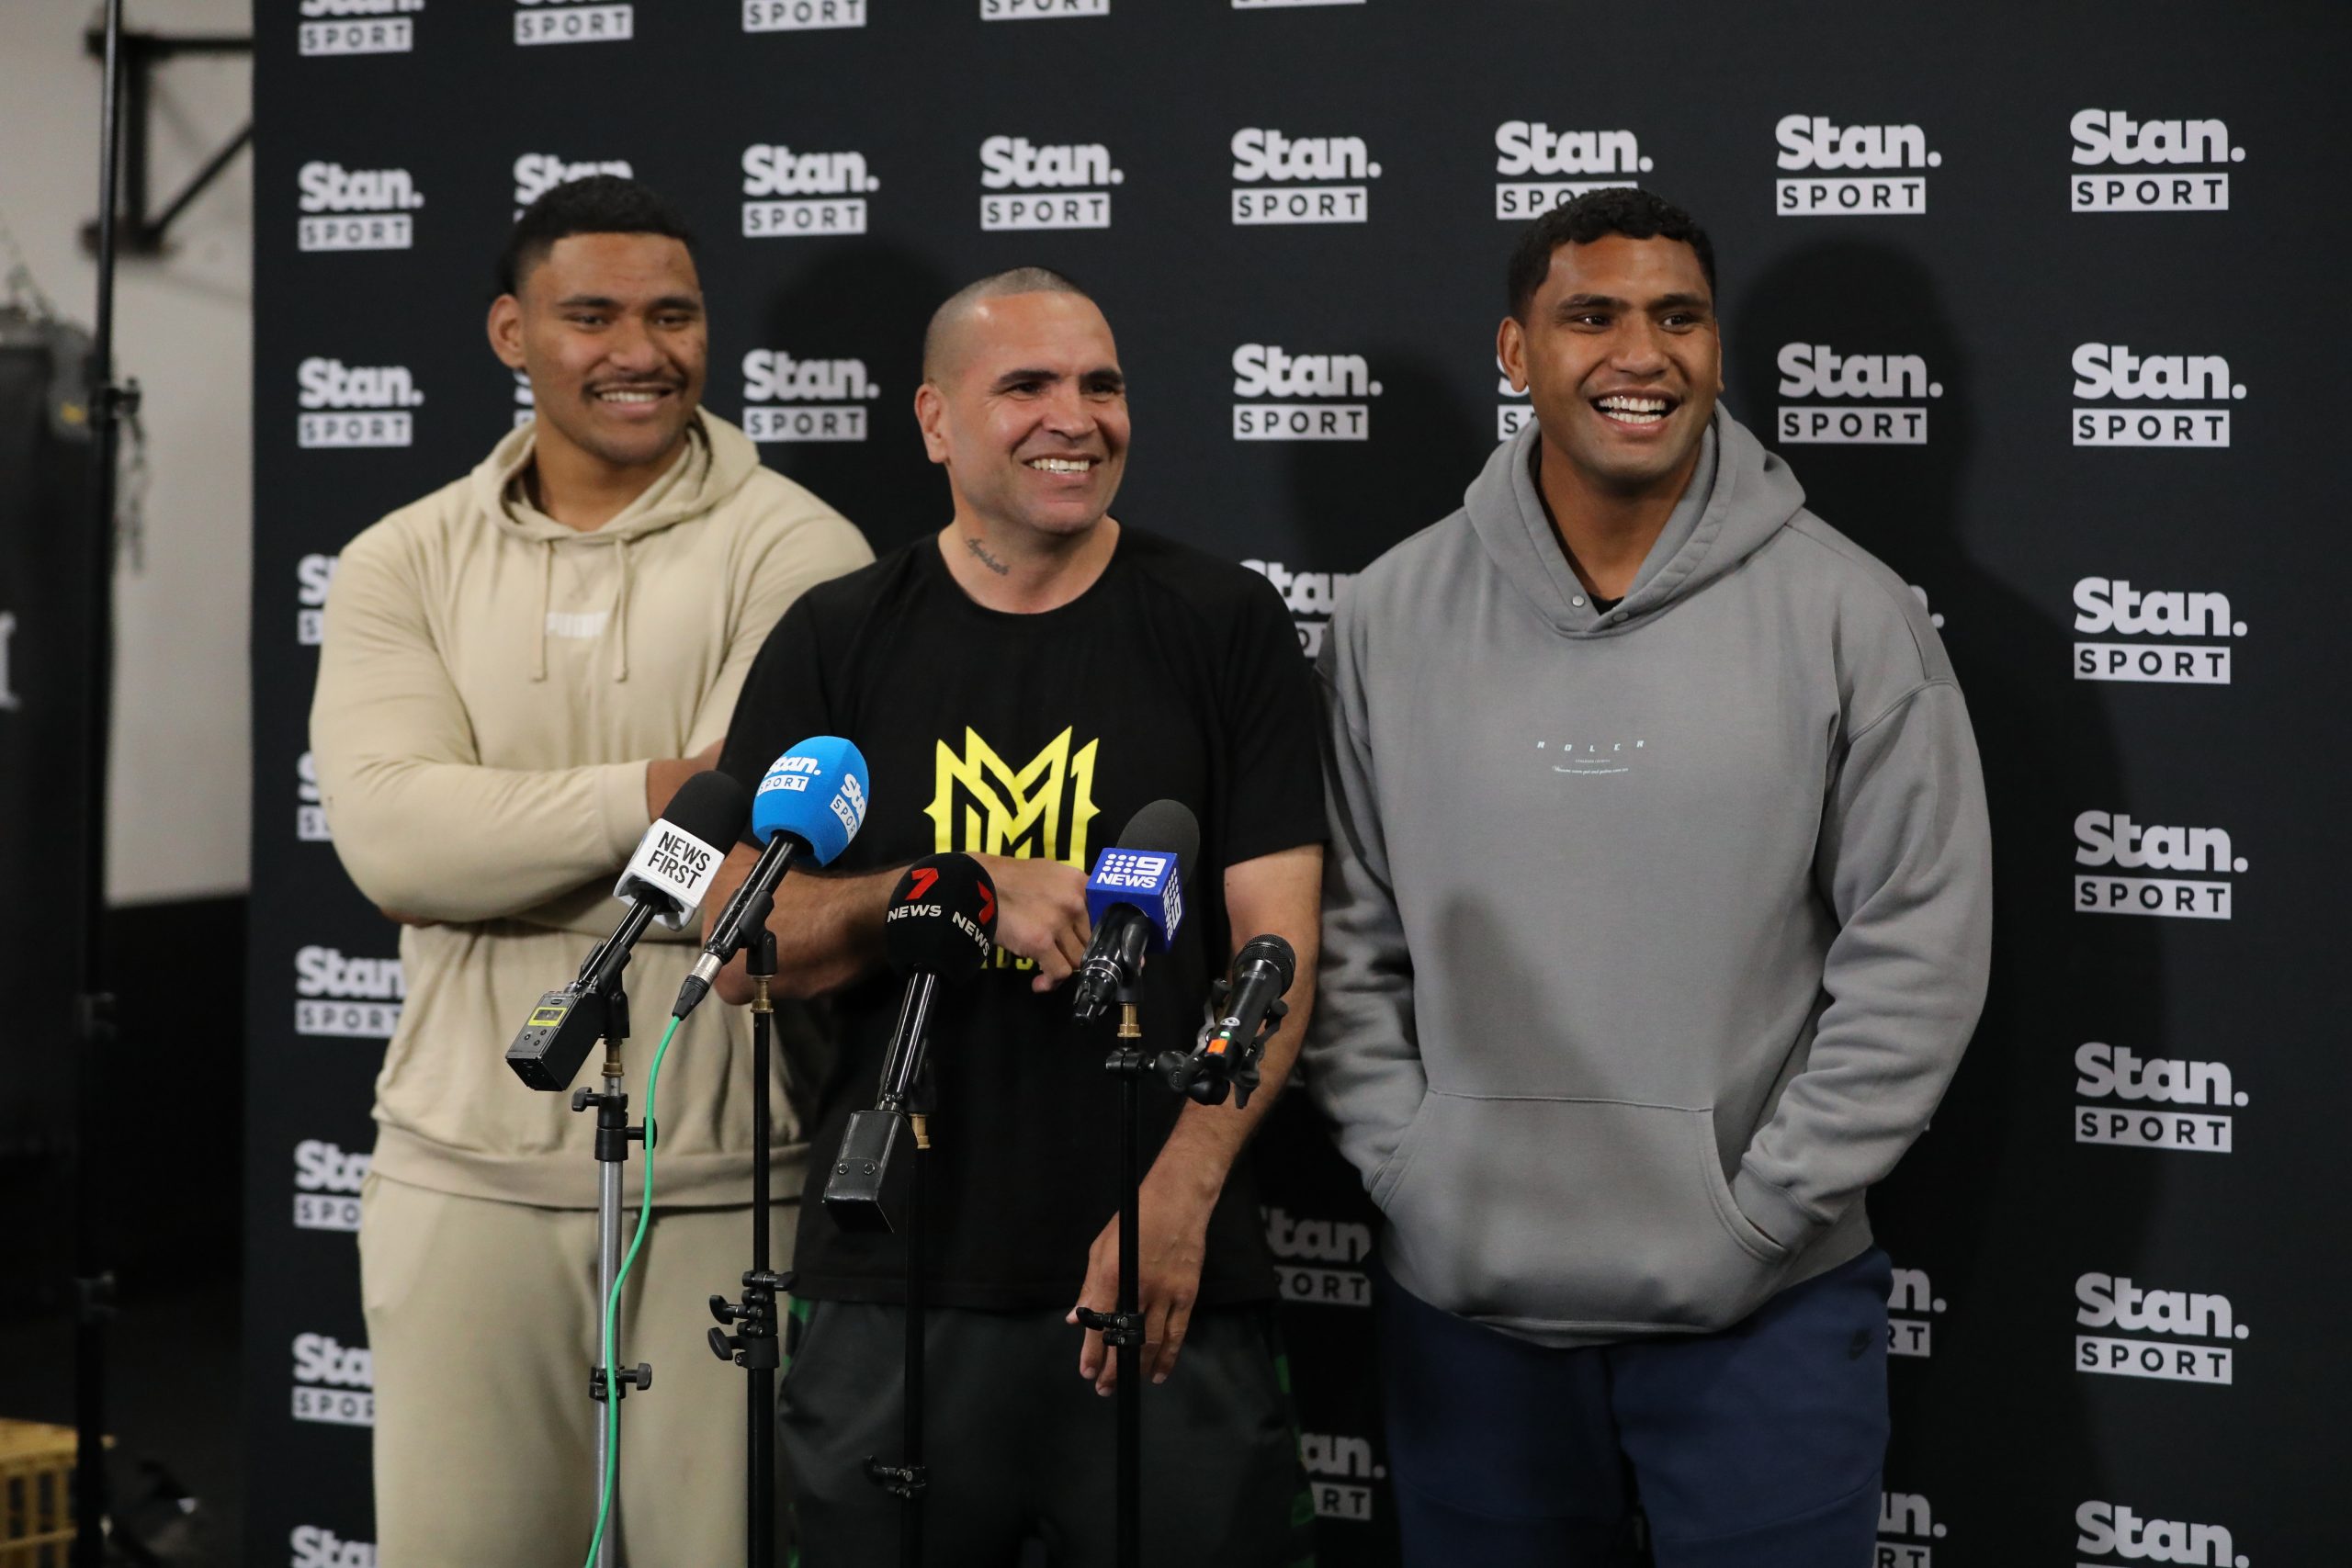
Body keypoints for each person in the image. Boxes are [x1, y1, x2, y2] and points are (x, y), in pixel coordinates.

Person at [1306, 188, 1993, 1567]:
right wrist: (1415, 1174)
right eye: (1592, 316)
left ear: (1718, 350)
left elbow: (1917, 948)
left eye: (1679, 317)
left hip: (1768, 1321)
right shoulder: (1388, 611)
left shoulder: (1850, 612)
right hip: (1469, 1319)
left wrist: (1766, 1210)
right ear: (1516, 352)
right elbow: (1339, 932)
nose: (1643, 352)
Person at [708, 267, 1323, 1566]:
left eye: (1101, 384)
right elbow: (745, 954)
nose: (1076, 416)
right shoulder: (836, 638)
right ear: (935, 420)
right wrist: (951, 887)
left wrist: (1179, 1192)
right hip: (897, 1277)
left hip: (1162, 1272)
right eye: (1027, 386)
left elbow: (1281, 950)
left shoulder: (1224, 624)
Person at [311, 175, 872, 1566]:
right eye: (593, 314)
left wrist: (494, 842)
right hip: (459, 1177)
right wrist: (653, 789)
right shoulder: (400, 562)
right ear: (513, 332)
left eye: (674, 314)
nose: (642, 349)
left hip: (724, 1179)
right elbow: (389, 843)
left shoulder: (801, 551)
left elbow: (758, 871)